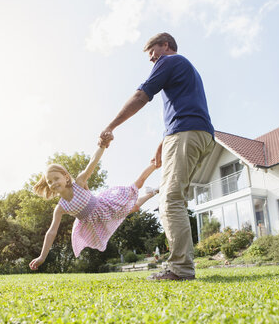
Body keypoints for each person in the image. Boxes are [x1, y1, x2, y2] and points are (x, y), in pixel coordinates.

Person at [99, 32, 215, 281]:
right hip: (201, 136)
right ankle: (182, 265)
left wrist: (111, 126)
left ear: (166, 45)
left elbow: (142, 95)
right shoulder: (186, 68)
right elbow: (185, 107)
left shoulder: (170, 61)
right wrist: (163, 142)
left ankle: (180, 270)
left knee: (170, 200)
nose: (153, 60)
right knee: (177, 200)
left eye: (153, 52)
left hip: (185, 135)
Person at [29, 141, 158, 270]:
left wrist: (102, 145)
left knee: (138, 186)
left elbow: (93, 162)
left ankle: (154, 164)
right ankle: (152, 192)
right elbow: (51, 232)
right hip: (96, 223)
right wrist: (42, 257)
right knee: (135, 208)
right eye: (49, 182)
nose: (53, 183)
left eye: (56, 178)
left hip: (106, 207)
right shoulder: (60, 208)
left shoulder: (79, 183)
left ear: (66, 177)